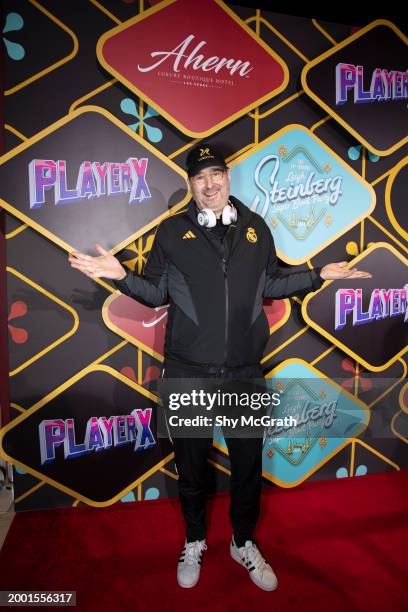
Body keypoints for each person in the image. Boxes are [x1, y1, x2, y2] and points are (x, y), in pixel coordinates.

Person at [69, 144, 371, 592]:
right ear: (190, 185)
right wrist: (122, 276)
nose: (209, 184)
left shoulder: (256, 228)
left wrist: (316, 275)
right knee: (191, 469)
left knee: (247, 468)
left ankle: (243, 541)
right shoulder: (172, 232)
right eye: (199, 177)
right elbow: (156, 293)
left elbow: (271, 281)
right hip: (187, 371)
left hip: (244, 372)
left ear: (228, 177)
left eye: (215, 174)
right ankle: (194, 540)